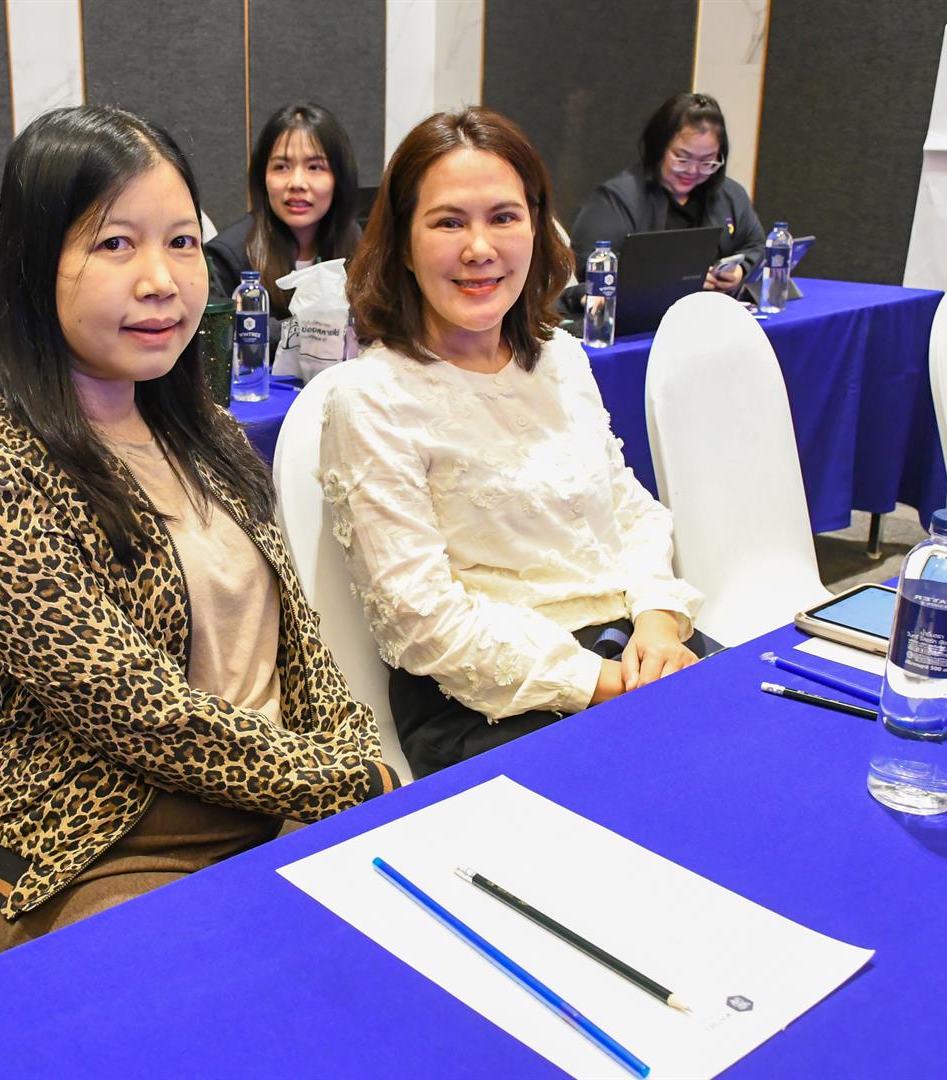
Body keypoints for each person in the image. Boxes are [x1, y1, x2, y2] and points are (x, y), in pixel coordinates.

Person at [0, 105, 396, 962]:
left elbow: (299, 647)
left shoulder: (208, 432)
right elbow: (142, 717)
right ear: (34, 265)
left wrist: (360, 761)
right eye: (116, 243)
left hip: (268, 805)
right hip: (99, 847)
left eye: (182, 242)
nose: (162, 280)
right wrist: (337, 780)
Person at [325, 107, 717, 779]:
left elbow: (628, 512)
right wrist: (604, 683)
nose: (480, 248)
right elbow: (421, 620)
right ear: (403, 245)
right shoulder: (372, 397)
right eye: (449, 222)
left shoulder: (560, 357)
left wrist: (658, 620)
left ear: (537, 227)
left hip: (631, 648)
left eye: (504, 217)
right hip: (488, 700)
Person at [570, 92, 764, 296]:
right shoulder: (615, 200)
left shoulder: (730, 195)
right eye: (682, 158)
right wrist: (678, 279)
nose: (693, 171)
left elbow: (756, 245)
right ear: (659, 147)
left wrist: (740, 270)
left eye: (707, 161)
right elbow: (592, 268)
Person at [206, 102, 363, 321]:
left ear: (339, 177)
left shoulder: (355, 240)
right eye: (281, 167)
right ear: (263, 177)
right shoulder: (228, 256)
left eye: (314, 167)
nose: (297, 183)